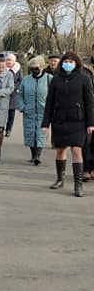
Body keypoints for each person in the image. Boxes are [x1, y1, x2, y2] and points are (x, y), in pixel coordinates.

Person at [41, 50, 94, 196]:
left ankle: (78, 184)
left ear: (76, 63)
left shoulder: (84, 79)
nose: (68, 64)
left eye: (71, 62)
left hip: (78, 121)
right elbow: (49, 102)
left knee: (77, 150)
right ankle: (60, 179)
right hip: (60, 120)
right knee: (61, 150)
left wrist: (91, 123)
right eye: (65, 61)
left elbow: (89, 102)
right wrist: (45, 123)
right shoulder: (56, 79)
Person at [16, 56, 51, 165]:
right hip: (29, 111)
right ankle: (33, 154)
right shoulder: (26, 80)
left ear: (42, 67)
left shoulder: (49, 79)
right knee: (30, 132)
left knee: (41, 133)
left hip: (43, 111)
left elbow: (54, 94)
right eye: (31, 68)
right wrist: (22, 107)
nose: (34, 70)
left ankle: (37, 155)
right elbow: (20, 94)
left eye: (36, 68)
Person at [4, 52, 23, 136]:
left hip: (13, 94)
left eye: (10, 60)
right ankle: (1, 128)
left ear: (14, 61)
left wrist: (14, 87)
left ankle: (8, 129)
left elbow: (21, 80)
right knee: (2, 113)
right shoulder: (2, 68)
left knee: (11, 113)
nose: (9, 62)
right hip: (4, 93)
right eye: (7, 60)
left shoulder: (18, 69)